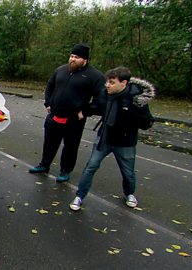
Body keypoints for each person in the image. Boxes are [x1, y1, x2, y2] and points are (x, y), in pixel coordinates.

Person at [69, 66, 155, 211]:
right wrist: (83, 111)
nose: (107, 85)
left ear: (124, 83)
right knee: (91, 166)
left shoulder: (136, 99)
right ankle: (79, 196)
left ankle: (129, 194)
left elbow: (147, 123)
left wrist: (136, 111)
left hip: (125, 142)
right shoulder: (105, 94)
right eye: (107, 82)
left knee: (128, 172)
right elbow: (95, 106)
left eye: (112, 82)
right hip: (105, 138)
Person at [29, 43, 105, 182]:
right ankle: (44, 165)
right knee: (49, 143)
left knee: (70, 147)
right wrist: (48, 102)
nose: (72, 59)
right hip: (54, 116)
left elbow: (101, 98)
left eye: (76, 57)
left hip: (74, 119)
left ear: (85, 60)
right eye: (71, 56)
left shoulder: (95, 76)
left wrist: (86, 111)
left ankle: (65, 171)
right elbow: (50, 85)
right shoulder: (61, 70)